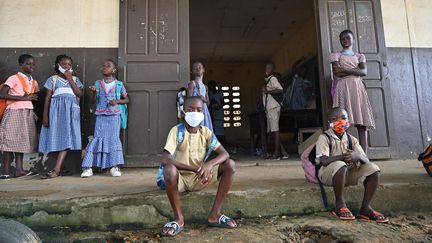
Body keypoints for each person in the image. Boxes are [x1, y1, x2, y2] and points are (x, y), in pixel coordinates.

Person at [161, 96, 237, 237]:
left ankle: (214, 215)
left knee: (230, 165)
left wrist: (209, 164)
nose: (195, 113)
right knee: (169, 170)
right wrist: (194, 169)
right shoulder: (176, 131)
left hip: (201, 177)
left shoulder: (205, 132)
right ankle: (179, 219)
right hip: (180, 179)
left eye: (199, 110)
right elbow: (166, 159)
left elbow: (224, 154)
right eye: (190, 110)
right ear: (183, 112)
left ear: (203, 114)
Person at [316, 107, 388, 223]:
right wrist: (342, 157)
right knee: (340, 164)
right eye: (335, 119)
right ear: (330, 123)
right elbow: (323, 161)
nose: (340, 121)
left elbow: (366, 160)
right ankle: (340, 204)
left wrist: (357, 156)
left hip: (346, 174)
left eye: (343, 118)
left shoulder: (352, 139)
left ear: (348, 121)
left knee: (373, 169)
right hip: (328, 175)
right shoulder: (324, 138)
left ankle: (365, 208)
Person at [81, 59, 129, 178]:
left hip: (114, 116)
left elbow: (127, 100)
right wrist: (93, 93)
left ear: (114, 70)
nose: (105, 67)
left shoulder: (119, 84)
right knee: (98, 139)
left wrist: (116, 101)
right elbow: (93, 102)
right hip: (101, 116)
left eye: (108, 66)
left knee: (113, 140)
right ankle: (89, 167)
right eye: (103, 65)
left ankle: (114, 167)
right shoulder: (98, 84)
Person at [39, 54, 83, 179]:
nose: (67, 67)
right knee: (59, 137)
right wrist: (45, 116)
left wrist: (69, 79)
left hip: (71, 113)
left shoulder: (75, 79)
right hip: (56, 114)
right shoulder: (52, 79)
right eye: (64, 64)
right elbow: (47, 98)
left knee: (67, 137)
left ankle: (57, 170)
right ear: (58, 66)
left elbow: (79, 94)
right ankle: (60, 168)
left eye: (69, 65)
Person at [331, 29, 375, 153]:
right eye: (342, 39)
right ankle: (345, 153)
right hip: (343, 88)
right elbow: (336, 72)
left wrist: (345, 69)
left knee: (362, 123)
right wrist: (355, 70)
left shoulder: (360, 56)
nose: (345, 40)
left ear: (353, 40)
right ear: (340, 41)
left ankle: (363, 155)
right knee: (342, 123)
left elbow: (364, 72)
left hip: (357, 88)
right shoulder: (336, 55)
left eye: (348, 38)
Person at [0, 54, 39, 179]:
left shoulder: (33, 81)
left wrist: (31, 98)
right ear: (20, 65)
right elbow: (2, 94)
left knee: (21, 141)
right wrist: (24, 98)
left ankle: (19, 170)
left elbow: (32, 97)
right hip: (14, 111)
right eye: (28, 63)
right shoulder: (13, 78)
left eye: (33, 64)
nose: (31, 66)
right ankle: (5, 171)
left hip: (27, 112)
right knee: (9, 140)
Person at [262, 63, 288, 160]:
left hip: (273, 107)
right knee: (272, 131)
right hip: (269, 108)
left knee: (275, 130)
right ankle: (280, 152)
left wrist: (267, 91)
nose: (267, 69)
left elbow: (280, 90)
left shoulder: (272, 79)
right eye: (266, 67)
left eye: (269, 68)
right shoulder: (267, 79)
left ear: (273, 69)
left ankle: (277, 153)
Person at [187, 62, 213, 131]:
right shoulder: (192, 84)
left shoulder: (205, 87)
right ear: (192, 72)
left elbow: (208, 103)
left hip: (204, 111)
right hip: (196, 111)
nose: (197, 69)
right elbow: (188, 100)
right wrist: (198, 99)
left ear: (203, 70)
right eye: (195, 68)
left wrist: (203, 99)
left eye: (199, 67)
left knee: (206, 131)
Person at [207, 80, 225, 147]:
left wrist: (217, 107)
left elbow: (223, 102)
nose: (211, 87)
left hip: (219, 114)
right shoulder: (209, 93)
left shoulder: (220, 92)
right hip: (212, 114)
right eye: (210, 86)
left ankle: (223, 146)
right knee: (213, 131)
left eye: (212, 85)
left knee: (220, 132)